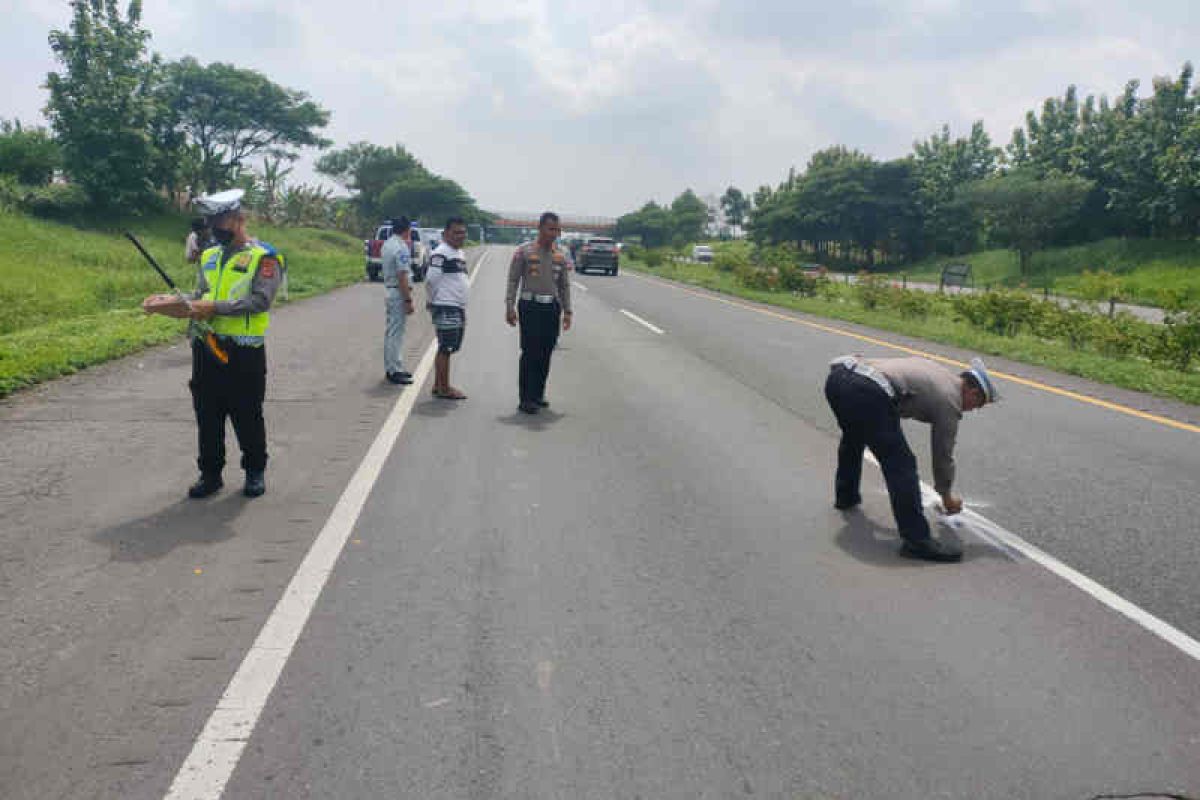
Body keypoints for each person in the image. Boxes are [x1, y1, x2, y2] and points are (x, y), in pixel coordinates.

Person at [146, 189, 284, 499]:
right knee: (207, 413)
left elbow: (260, 301)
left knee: (247, 413)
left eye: (221, 220)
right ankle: (210, 474)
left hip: (244, 351)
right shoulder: (208, 256)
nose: (215, 227)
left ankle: (254, 471)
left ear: (240, 219)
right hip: (206, 346)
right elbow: (200, 296)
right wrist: (169, 302)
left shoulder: (265, 257)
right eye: (212, 222)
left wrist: (214, 308)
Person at [823, 354, 998, 562]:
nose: (973, 409)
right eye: (978, 404)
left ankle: (846, 496)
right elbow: (943, 454)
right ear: (972, 391)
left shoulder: (939, 372)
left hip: (839, 378)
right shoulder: (951, 399)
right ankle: (917, 541)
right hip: (866, 390)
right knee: (901, 465)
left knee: (855, 435)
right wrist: (946, 496)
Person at [505, 211, 573, 414]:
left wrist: (568, 311)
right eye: (551, 229)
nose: (555, 233)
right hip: (530, 306)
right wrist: (509, 306)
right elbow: (513, 280)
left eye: (557, 229)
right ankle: (525, 398)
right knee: (530, 352)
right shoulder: (524, 251)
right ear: (540, 228)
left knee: (546, 352)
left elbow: (564, 285)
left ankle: (538, 394)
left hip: (551, 308)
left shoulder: (560, 254)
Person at [425, 217, 470, 400]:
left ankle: (439, 385)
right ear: (445, 234)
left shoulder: (458, 253)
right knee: (447, 347)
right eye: (456, 232)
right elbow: (431, 280)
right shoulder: (441, 253)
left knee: (447, 347)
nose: (461, 236)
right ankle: (444, 388)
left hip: (456, 306)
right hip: (446, 305)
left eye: (463, 232)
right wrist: (432, 300)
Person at [380, 216, 415, 384]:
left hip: (390, 290)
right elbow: (402, 275)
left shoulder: (388, 244)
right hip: (398, 292)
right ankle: (394, 370)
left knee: (391, 333)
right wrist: (408, 300)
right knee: (396, 334)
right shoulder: (401, 248)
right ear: (407, 229)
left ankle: (393, 367)